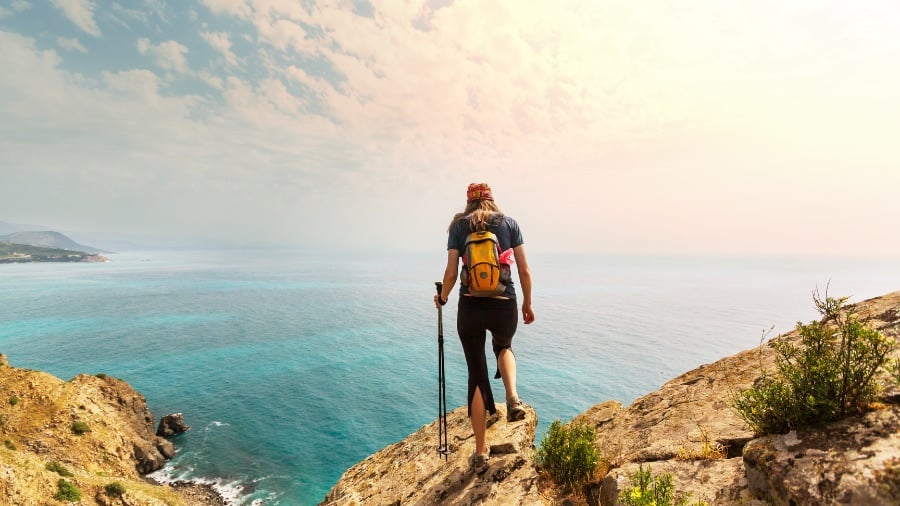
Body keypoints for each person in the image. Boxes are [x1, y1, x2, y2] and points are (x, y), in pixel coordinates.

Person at [434, 182, 535, 474]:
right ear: (492, 200)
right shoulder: (510, 223)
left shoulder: (457, 227)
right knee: (503, 346)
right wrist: (528, 303)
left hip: (470, 307)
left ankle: (480, 451)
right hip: (505, 302)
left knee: (476, 374)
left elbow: (452, 272)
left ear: (469, 202)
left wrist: (442, 298)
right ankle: (512, 397)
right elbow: (525, 270)